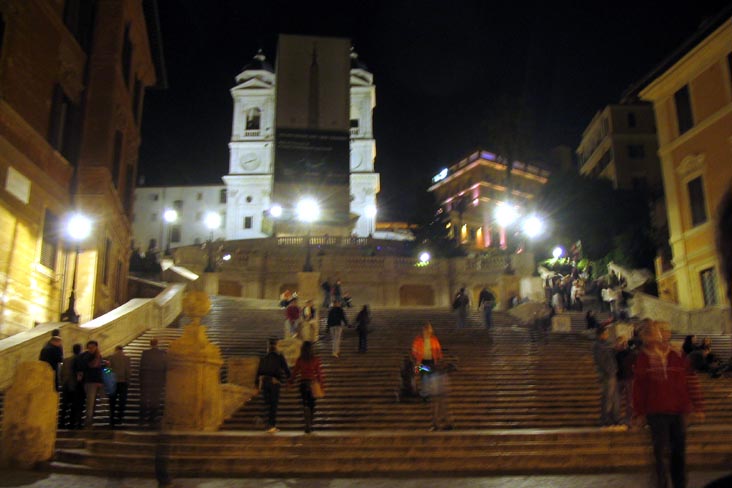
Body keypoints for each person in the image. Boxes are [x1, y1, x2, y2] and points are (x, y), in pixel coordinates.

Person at [633, 321, 704, 488]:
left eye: (660, 331)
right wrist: (639, 412)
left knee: (678, 453)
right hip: (656, 412)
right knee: (661, 454)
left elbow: (690, 380)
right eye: (652, 332)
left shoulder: (677, 354)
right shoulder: (643, 358)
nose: (658, 335)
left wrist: (697, 406)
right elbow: (638, 387)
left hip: (678, 411)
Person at [593, 327, 625, 431]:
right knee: (607, 398)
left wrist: (616, 349)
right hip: (606, 375)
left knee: (614, 398)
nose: (607, 335)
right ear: (600, 334)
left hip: (612, 374)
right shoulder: (597, 345)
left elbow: (611, 355)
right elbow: (601, 361)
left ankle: (615, 418)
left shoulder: (605, 345)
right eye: (605, 333)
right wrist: (610, 371)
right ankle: (605, 419)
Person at [289, 341, 324, 434]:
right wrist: (321, 384)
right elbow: (319, 373)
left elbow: (295, 372)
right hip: (312, 383)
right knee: (312, 404)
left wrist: (291, 382)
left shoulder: (300, 359)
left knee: (305, 404)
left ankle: (307, 424)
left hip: (303, 383)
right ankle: (310, 424)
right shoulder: (315, 359)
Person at [256, 338, 290, 433]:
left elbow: (258, 372)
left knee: (267, 403)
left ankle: (267, 425)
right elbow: (286, 370)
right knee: (273, 404)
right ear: (276, 346)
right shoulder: (279, 357)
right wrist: (289, 381)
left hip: (265, 382)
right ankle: (271, 425)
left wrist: (256, 386)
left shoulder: (264, 358)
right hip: (274, 382)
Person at [411, 322, 444, 402]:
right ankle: (425, 394)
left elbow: (438, 351)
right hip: (422, 363)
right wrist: (416, 363)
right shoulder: (418, 341)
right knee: (426, 377)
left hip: (431, 362)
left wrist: (439, 359)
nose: (428, 332)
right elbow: (414, 352)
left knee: (428, 377)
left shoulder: (434, 340)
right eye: (427, 330)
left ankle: (426, 393)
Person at [139, 338, 167, 426]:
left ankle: (142, 418)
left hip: (147, 379)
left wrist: (141, 379)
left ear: (150, 344)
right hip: (157, 380)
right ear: (157, 343)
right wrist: (164, 380)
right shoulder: (162, 353)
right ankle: (153, 417)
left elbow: (141, 367)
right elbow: (165, 368)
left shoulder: (145, 353)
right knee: (155, 399)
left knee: (144, 399)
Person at [78, 340, 104, 428]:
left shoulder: (98, 356)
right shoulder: (86, 356)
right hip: (90, 382)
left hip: (96, 382)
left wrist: (107, 370)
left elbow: (100, 369)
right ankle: (88, 422)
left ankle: (90, 420)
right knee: (90, 403)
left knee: (93, 403)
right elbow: (89, 367)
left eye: (92, 347)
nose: (91, 349)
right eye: (89, 347)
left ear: (96, 347)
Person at [59, 343, 84, 429]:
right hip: (75, 385)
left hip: (65, 385)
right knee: (74, 405)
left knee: (65, 405)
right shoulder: (79, 359)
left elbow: (61, 373)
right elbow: (79, 373)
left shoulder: (66, 360)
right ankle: (71, 423)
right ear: (80, 350)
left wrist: (62, 382)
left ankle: (61, 422)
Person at [615, 336, 636, 426]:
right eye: (619, 342)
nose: (621, 344)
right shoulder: (616, 354)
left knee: (629, 401)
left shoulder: (629, 353)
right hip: (620, 378)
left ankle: (628, 419)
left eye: (623, 342)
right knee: (618, 400)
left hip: (628, 378)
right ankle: (618, 418)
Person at [107, 345, 131, 427]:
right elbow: (128, 371)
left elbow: (108, 369)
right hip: (123, 382)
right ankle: (120, 418)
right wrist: (128, 380)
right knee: (122, 401)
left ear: (116, 350)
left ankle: (112, 418)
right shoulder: (127, 358)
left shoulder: (111, 357)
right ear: (122, 350)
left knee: (112, 401)